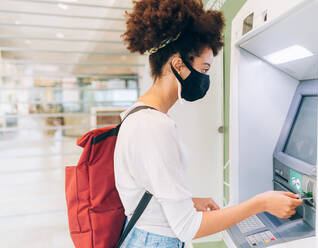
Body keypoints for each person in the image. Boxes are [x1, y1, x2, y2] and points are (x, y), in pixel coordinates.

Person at [113, 0, 303, 247]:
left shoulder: (135, 114)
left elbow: (146, 187)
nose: (204, 79)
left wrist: (190, 201)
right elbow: (188, 228)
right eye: (204, 69)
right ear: (178, 65)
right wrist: (261, 203)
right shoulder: (155, 126)